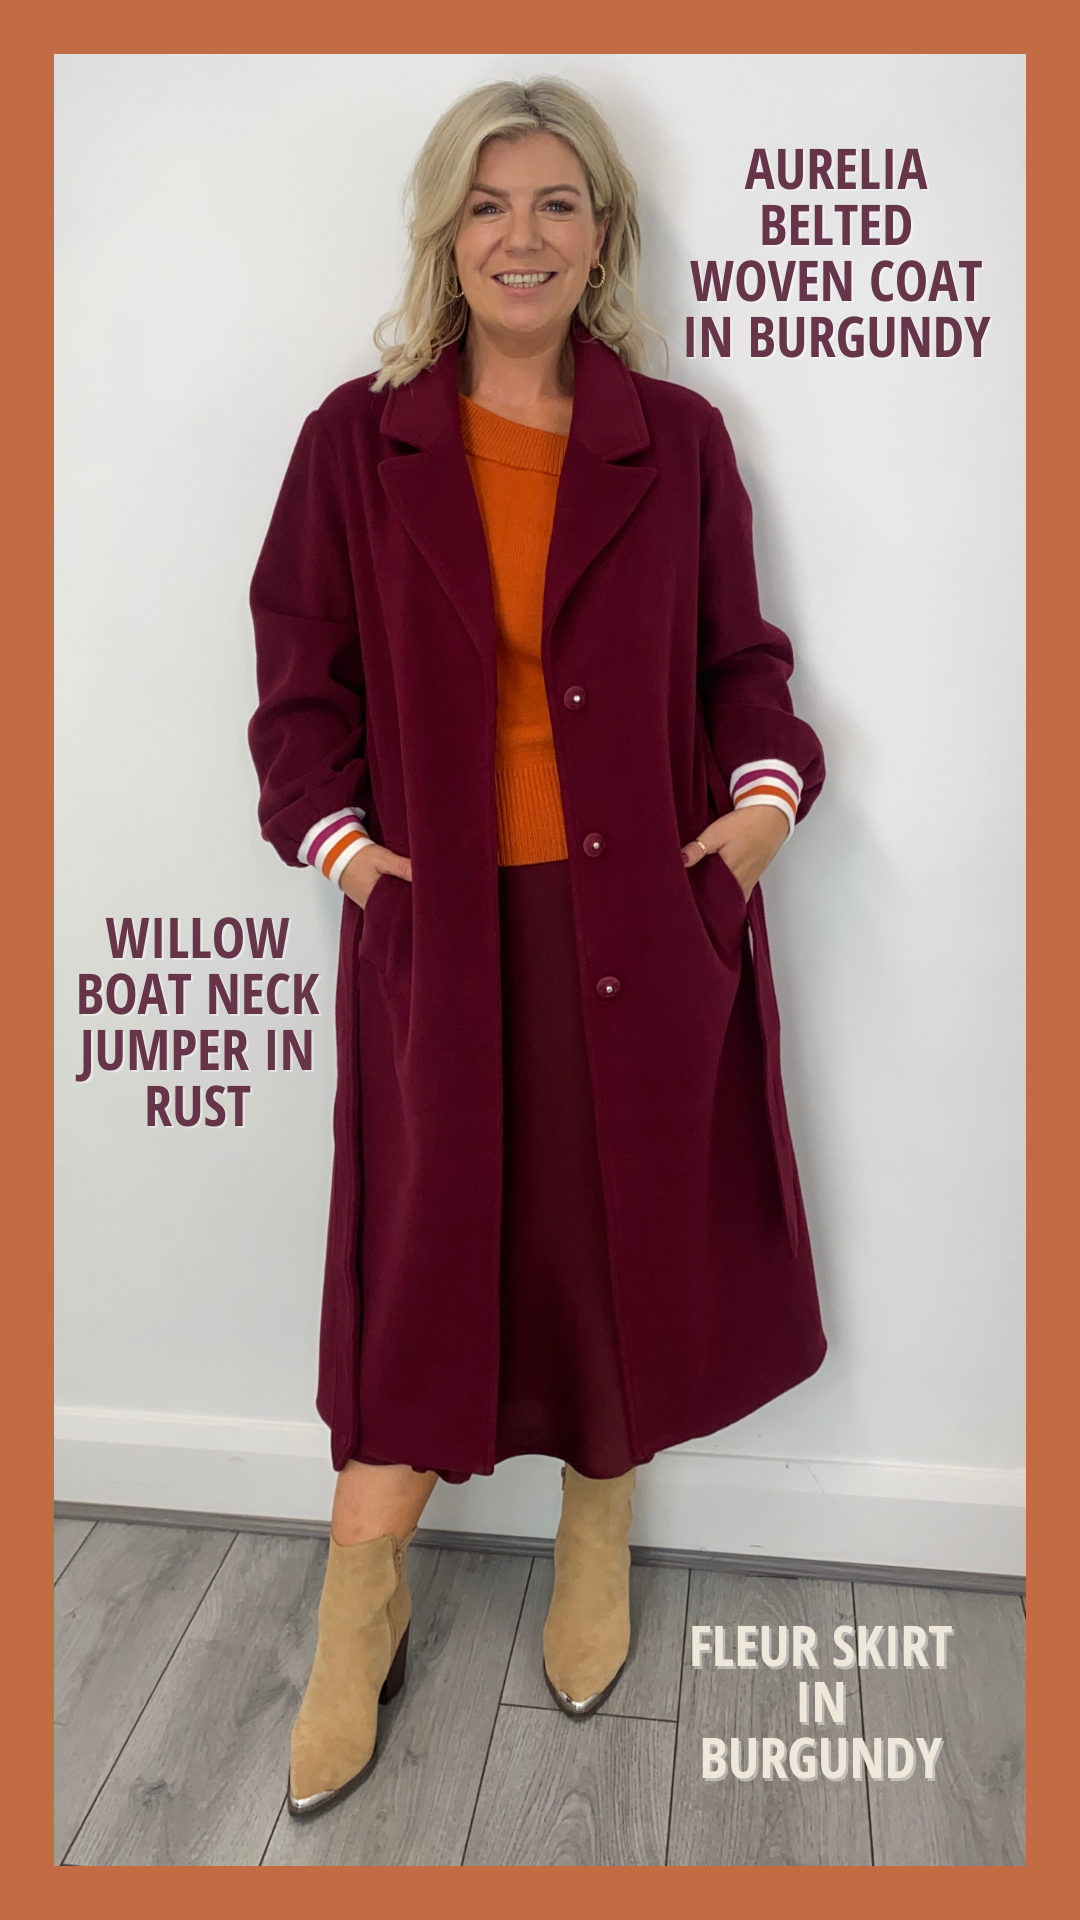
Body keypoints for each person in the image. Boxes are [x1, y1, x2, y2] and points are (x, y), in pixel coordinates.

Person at [248, 76, 827, 1818]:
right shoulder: (356, 444)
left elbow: (743, 668)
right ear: (446, 236)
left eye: (557, 203)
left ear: (603, 237)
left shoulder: (680, 440)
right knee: (421, 1263)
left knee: (612, 1246)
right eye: (488, 204)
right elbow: (297, 695)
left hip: (636, 920)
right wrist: (350, 857)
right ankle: (361, 1603)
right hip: (440, 931)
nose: (522, 235)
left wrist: (763, 813)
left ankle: (599, 1528)